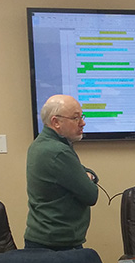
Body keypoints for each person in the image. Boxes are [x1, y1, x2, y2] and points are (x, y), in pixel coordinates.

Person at [24, 94, 99, 250]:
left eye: (82, 116)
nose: (83, 123)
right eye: (76, 118)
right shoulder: (58, 152)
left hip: (44, 239)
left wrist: (87, 175)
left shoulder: (41, 144)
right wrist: (87, 177)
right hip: (56, 245)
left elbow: (83, 171)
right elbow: (91, 195)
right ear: (56, 122)